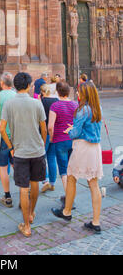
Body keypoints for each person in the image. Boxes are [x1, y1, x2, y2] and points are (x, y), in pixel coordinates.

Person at [51, 82, 104, 234]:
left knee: (72, 177)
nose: (78, 94)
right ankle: (96, 221)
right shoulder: (97, 109)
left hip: (83, 148)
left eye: (80, 92)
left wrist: (69, 130)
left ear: (85, 93)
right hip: (95, 148)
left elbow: (75, 133)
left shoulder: (82, 110)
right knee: (94, 184)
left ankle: (67, 211)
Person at [0, 72, 47, 238]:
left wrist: (11, 147)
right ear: (28, 86)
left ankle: (26, 225)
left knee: (23, 188)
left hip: (20, 150)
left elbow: (1, 129)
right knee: (35, 183)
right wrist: (42, 143)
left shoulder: (9, 104)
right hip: (37, 150)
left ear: (15, 85)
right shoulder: (36, 103)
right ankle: (32, 214)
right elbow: (44, 128)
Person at [0, 72, 16, 208]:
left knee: (3, 167)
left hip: (2, 134)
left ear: (1, 83)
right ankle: (25, 190)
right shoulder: (17, 95)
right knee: (16, 165)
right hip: (16, 135)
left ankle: (7, 196)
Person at [48, 81, 78, 197]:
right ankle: (72, 194)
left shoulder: (55, 106)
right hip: (73, 140)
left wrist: (51, 137)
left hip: (60, 140)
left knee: (63, 170)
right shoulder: (75, 105)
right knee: (72, 170)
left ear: (58, 92)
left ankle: (69, 198)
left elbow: (50, 126)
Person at [40, 84, 58, 193]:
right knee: (52, 158)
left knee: (42, 157)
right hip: (55, 133)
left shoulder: (42, 102)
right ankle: (52, 182)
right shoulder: (56, 100)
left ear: (42, 92)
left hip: (45, 132)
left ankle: (45, 179)